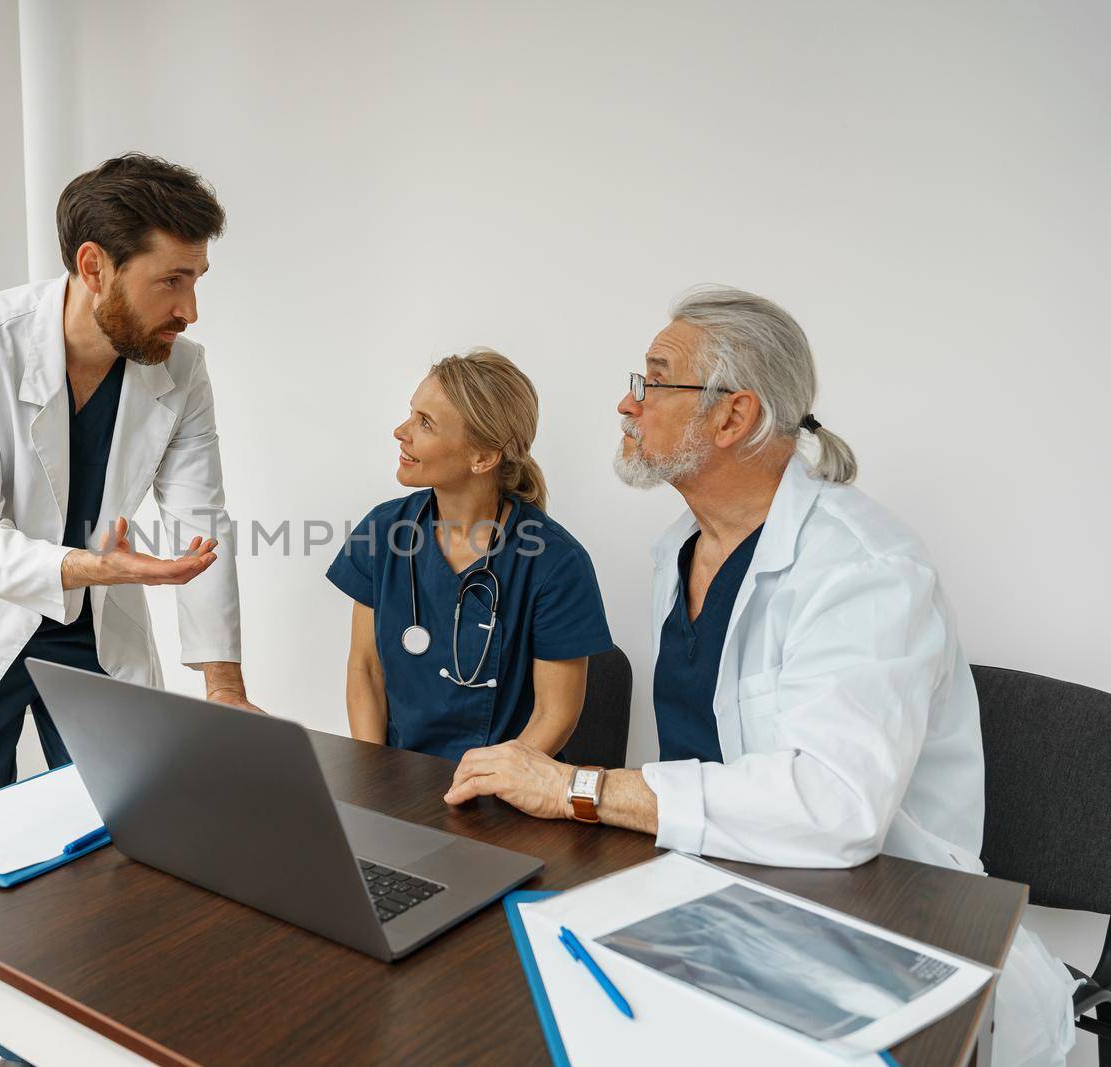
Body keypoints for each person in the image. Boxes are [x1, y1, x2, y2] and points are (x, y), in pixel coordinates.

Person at [442, 287, 1077, 1065]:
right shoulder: (681, 552)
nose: (625, 402)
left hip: (880, 927)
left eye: (652, 381)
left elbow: (835, 806)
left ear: (732, 417)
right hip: (725, 907)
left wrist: (581, 787)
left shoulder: (864, 567)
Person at [0, 153, 260, 830]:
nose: (190, 310)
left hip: (90, 629)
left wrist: (223, 686)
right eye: (171, 281)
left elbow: (201, 519)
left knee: (117, 834)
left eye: (195, 280)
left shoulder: (182, 370)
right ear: (93, 266)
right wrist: (96, 566)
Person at [325, 349, 612, 762]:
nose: (400, 431)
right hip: (398, 780)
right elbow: (366, 670)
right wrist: (375, 777)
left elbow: (556, 714)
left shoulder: (556, 564)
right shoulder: (384, 531)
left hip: (508, 794)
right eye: (412, 413)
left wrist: (487, 784)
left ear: (483, 457)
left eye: (425, 423)